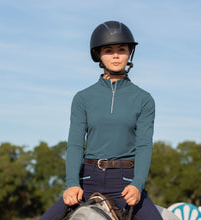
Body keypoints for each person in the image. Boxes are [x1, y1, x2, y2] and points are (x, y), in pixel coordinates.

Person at [40, 20, 162, 220]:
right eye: (108, 50)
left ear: (129, 52)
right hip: (87, 180)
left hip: (125, 183)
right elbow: (75, 144)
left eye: (121, 49)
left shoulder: (144, 99)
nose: (115, 55)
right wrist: (72, 183)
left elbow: (144, 146)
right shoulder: (82, 98)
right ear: (99, 54)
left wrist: (137, 184)